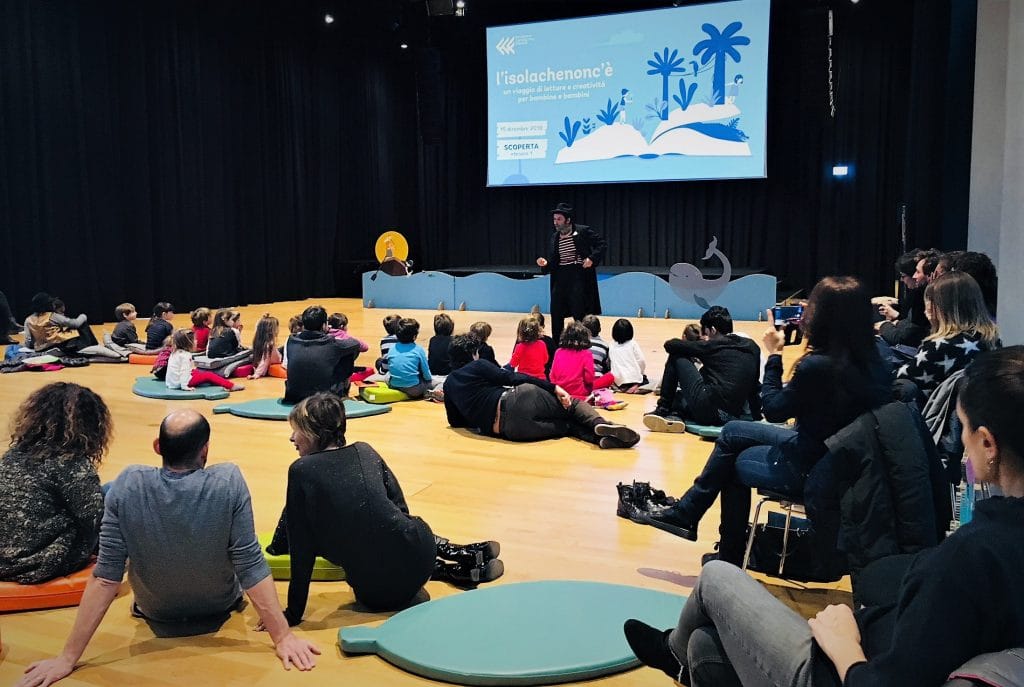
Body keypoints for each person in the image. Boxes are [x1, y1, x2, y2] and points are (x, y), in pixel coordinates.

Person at [622, 345, 1024, 687]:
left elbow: (773, 407)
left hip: (839, 670)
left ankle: (672, 649)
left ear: (988, 443)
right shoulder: (985, 545)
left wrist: (844, 647)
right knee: (705, 648)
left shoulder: (972, 555)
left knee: (715, 578)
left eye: (963, 429)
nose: (962, 444)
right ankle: (682, 654)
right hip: (888, 636)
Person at [15, 410, 319, 686]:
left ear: (158, 447)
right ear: (205, 450)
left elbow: (106, 577)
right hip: (219, 607)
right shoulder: (229, 481)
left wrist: (67, 658)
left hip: (156, 612)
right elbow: (249, 564)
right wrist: (283, 637)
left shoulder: (127, 484)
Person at [645, 277, 891, 564]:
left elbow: (773, 409)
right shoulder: (878, 362)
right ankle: (690, 514)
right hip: (842, 458)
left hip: (810, 463)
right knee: (732, 432)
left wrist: (775, 355)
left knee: (731, 462)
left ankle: (722, 547)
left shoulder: (818, 366)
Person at [266, 394, 503, 624]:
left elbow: (302, 548)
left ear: (313, 433)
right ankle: (458, 556)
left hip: (376, 594)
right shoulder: (364, 450)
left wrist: (293, 613)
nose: (292, 438)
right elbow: (400, 509)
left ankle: (453, 569)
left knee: (361, 537)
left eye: (296, 430)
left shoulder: (301, 470)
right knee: (392, 526)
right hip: (420, 556)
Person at [444, 334, 640, 449]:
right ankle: (600, 424)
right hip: (517, 399)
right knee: (572, 406)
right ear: (472, 354)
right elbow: (513, 377)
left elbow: (456, 422)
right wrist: (553, 387)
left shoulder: (449, 384)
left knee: (568, 427)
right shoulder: (478, 365)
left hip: (510, 431)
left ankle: (601, 439)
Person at [0, 383, 110, 584]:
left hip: (3, 561)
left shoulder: (13, 455)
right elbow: (96, 519)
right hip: (39, 563)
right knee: (114, 491)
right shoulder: (70, 463)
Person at [644, 306, 762, 434]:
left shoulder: (712, 346)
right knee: (687, 393)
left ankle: (663, 409)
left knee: (676, 356)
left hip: (708, 412)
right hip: (732, 415)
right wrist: (757, 417)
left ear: (713, 330)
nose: (706, 338)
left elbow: (670, 345)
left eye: (706, 333)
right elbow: (754, 386)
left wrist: (699, 345)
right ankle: (676, 411)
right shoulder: (753, 347)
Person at [896, 272, 999, 398]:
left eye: (929, 300)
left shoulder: (940, 346)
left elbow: (899, 379)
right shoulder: (991, 339)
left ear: (940, 306)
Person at [536, 203, 606, 344]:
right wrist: (545, 264)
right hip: (560, 277)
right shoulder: (555, 237)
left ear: (568, 220)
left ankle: (582, 343)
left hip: (578, 275)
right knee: (556, 312)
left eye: (559, 219)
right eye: (554, 219)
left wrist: (591, 259)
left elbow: (602, 244)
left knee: (579, 312)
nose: (555, 222)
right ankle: (557, 346)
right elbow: (554, 261)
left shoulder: (582, 231)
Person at [283, 305, 361, 404]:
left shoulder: (291, 340)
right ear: (324, 325)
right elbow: (356, 344)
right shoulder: (331, 343)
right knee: (347, 355)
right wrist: (332, 332)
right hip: (323, 398)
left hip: (293, 396)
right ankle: (344, 393)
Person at [877, 249, 933, 348]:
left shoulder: (922, 296)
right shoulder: (919, 295)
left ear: (930, 275)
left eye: (917, 272)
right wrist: (896, 318)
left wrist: (884, 325)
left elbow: (906, 337)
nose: (901, 280)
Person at [165, 329, 244, 392]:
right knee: (209, 375)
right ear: (188, 343)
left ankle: (217, 382)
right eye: (195, 340)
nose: (196, 341)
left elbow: (172, 369)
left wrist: (170, 384)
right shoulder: (185, 356)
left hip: (172, 382)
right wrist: (184, 386)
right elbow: (184, 371)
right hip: (180, 383)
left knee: (198, 372)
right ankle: (231, 386)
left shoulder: (175, 352)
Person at [23, 292, 100, 353]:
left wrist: (31, 348)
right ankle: (93, 345)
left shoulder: (28, 319)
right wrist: (83, 316)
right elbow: (75, 324)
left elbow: (28, 340)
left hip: (41, 349)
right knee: (82, 324)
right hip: (59, 347)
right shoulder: (51, 316)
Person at [386, 317, 432, 399]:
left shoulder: (392, 348)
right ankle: (430, 393)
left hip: (393, 385)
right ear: (414, 336)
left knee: (386, 376)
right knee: (437, 383)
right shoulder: (418, 350)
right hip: (414, 390)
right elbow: (427, 375)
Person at [548, 321, 596, 400]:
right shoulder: (586, 353)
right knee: (608, 377)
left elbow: (552, 376)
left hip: (560, 392)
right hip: (579, 393)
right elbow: (589, 379)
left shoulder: (558, 351)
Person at [608, 318, 647, 393]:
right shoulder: (633, 344)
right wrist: (641, 373)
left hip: (618, 380)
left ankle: (620, 387)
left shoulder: (611, 345)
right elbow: (641, 361)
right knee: (644, 379)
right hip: (633, 378)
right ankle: (635, 385)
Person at [509, 315, 548, 380]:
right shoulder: (542, 344)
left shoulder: (520, 347)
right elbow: (545, 360)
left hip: (524, 379)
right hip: (540, 379)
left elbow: (513, 363)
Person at [248, 314, 284, 380]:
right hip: (279, 359)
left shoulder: (259, 340)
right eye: (277, 328)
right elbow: (264, 361)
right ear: (271, 331)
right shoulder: (269, 345)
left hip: (274, 355)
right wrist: (257, 374)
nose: (278, 330)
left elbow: (258, 328)